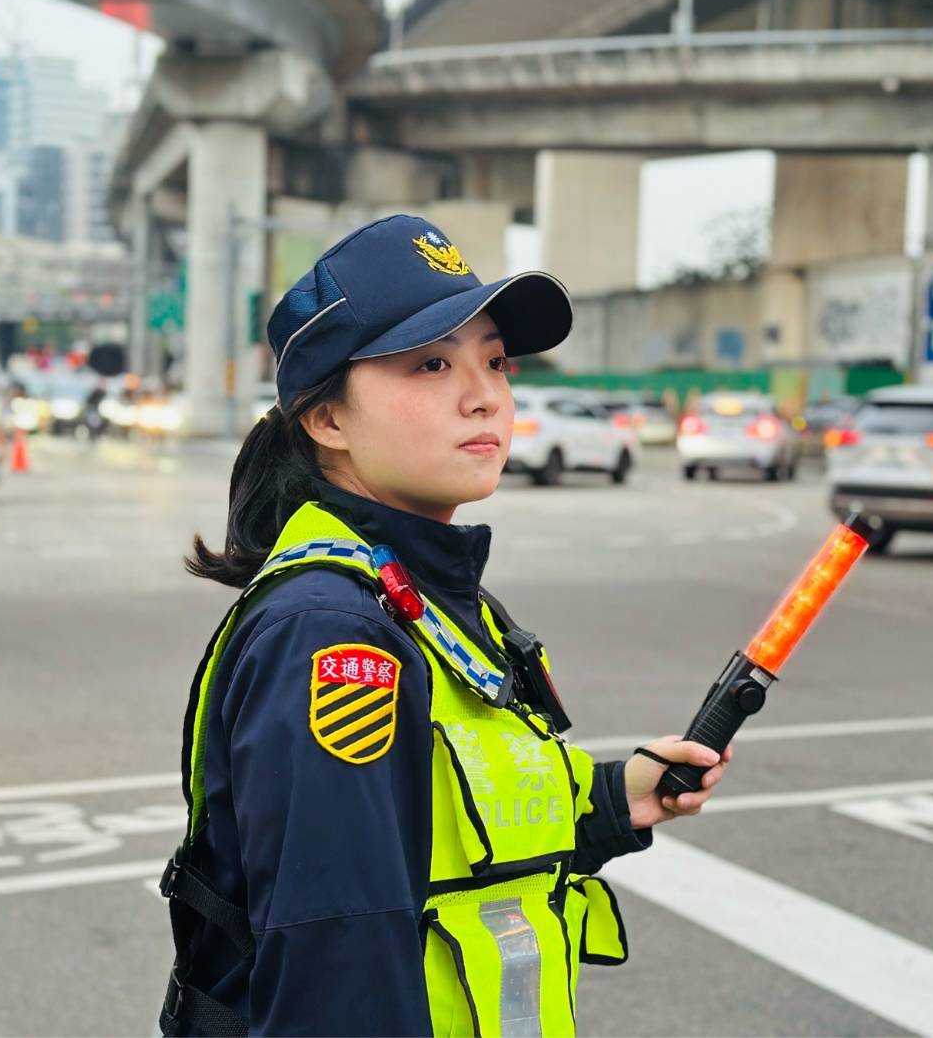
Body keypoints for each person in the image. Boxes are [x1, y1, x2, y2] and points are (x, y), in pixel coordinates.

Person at [158, 215, 731, 1037]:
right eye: (431, 364)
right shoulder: (334, 634)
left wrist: (615, 799)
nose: (485, 394)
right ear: (327, 420)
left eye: (495, 361)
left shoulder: (422, 593)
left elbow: (449, 825)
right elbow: (337, 971)